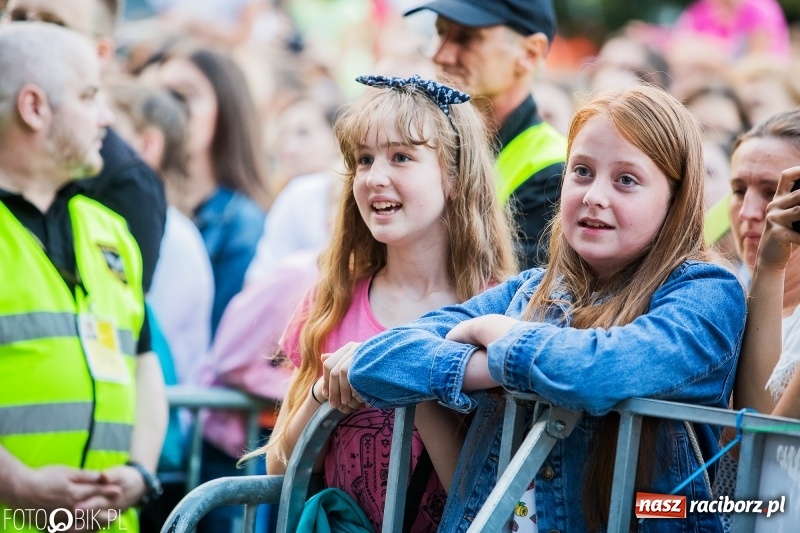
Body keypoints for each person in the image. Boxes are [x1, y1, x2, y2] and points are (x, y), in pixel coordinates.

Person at [349, 85, 747, 533]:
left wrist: (504, 337)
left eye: (626, 180)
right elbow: (376, 361)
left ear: (675, 198)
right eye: (582, 171)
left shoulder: (708, 292)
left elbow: (601, 371)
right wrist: (490, 368)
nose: (594, 195)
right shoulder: (532, 290)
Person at [254, 74, 518, 532]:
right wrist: (323, 395)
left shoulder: (493, 313)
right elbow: (279, 466)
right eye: (364, 159)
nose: (375, 177)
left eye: (401, 157)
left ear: (454, 178)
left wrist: (406, 372)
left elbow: (483, 501)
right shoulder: (334, 298)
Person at [0, 23, 167, 532]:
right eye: (90, 96)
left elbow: (144, 365)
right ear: (34, 108)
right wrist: (14, 484)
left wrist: (140, 473)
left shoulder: (109, 229)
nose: (106, 118)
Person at [3, 0, 168, 294]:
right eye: (17, 16)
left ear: (100, 52)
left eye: (53, 24)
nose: (28, 32)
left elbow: (126, 316)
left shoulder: (121, 188)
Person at [405, 0, 567, 268]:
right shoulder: (426, 143)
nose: (441, 55)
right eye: (440, 33)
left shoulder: (555, 173)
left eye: (466, 38)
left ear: (530, 53)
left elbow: (505, 286)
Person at [149, 44, 270, 336]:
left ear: (226, 110)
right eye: (161, 94)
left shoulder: (242, 224)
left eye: (185, 95)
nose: (169, 109)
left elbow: (224, 340)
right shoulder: (140, 201)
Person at [727, 110, 800, 415]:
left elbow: (760, 436)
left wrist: (770, 268)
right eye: (739, 191)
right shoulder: (719, 301)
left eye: (772, 192)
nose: (747, 212)